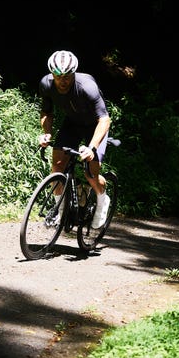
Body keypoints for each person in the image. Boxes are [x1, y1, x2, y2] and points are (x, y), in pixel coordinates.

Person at [37, 50, 112, 229]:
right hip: (72, 123)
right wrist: (47, 132)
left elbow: (105, 120)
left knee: (90, 173)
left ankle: (103, 199)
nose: (63, 81)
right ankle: (61, 212)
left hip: (95, 126)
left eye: (67, 76)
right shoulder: (46, 84)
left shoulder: (86, 86)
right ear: (51, 74)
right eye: (58, 76)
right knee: (57, 168)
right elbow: (47, 112)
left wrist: (92, 148)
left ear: (74, 73)